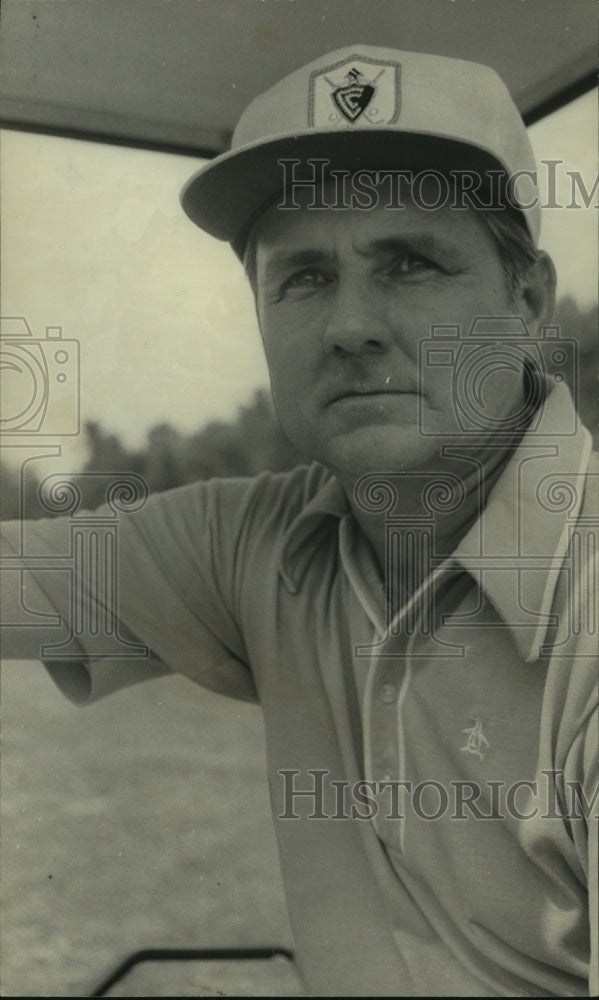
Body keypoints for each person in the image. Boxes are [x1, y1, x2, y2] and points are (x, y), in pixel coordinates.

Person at [2, 45, 597, 997]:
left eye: (409, 261)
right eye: (305, 276)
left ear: (526, 302)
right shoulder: (260, 546)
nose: (350, 324)